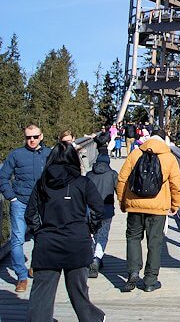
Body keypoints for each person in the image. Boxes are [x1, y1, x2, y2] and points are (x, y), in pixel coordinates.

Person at [24, 141, 105, 322]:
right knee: (78, 291)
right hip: (77, 242)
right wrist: (90, 229)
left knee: (42, 293)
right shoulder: (82, 182)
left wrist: (39, 232)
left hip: (48, 243)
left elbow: (30, 213)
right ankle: (93, 319)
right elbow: (99, 209)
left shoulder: (42, 183)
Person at [116, 130, 180, 292]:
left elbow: (122, 179)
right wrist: (175, 205)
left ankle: (133, 272)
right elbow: (176, 185)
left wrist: (122, 201)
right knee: (155, 242)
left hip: (134, 204)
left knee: (133, 238)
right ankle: (150, 281)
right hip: (158, 207)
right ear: (164, 140)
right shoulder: (169, 157)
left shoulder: (135, 154)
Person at [0, 124, 52, 293]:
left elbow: (57, 176)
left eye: (35, 137)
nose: (31, 140)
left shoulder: (48, 154)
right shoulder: (16, 155)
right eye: (28, 137)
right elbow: (3, 176)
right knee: (17, 239)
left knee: (41, 237)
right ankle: (21, 277)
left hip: (42, 203)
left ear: (41, 136)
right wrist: (11, 197)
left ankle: (35, 266)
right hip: (20, 202)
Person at [86, 149, 118, 278]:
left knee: (91, 234)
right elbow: (118, 190)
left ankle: (94, 256)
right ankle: (97, 258)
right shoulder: (112, 174)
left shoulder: (89, 175)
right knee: (102, 235)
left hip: (90, 210)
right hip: (107, 209)